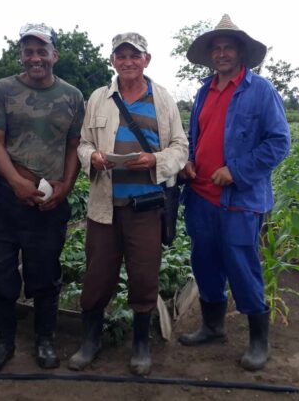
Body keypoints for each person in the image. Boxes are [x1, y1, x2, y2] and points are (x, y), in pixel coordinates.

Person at [70, 33, 188, 375]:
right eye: (121, 56)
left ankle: (140, 343)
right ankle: (90, 340)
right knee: (97, 275)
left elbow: (180, 146)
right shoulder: (98, 98)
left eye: (134, 56)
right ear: (113, 61)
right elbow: (84, 143)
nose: (128, 62)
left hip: (146, 207)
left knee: (144, 274)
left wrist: (154, 160)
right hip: (104, 207)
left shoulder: (162, 99)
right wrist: (92, 156)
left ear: (146, 59)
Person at [177, 15, 290, 371]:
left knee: (242, 266)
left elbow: (279, 142)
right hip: (201, 197)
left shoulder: (260, 90)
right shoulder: (203, 91)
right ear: (210, 54)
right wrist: (190, 162)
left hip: (239, 199)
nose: (222, 53)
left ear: (241, 52)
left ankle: (259, 340)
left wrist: (236, 171)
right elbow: (198, 137)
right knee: (205, 263)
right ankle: (213, 326)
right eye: (217, 48)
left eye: (228, 47)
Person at [0, 23, 85, 372]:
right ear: (21, 55)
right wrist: (14, 182)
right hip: (3, 199)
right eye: (29, 51)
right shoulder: (1, 90)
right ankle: (3, 342)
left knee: (45, 273)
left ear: (54, 55)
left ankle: (44, 340)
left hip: (47, 199)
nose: (35, 57)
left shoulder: (72, 96)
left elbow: (73, 145)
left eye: (42, 50)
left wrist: (66, 186)